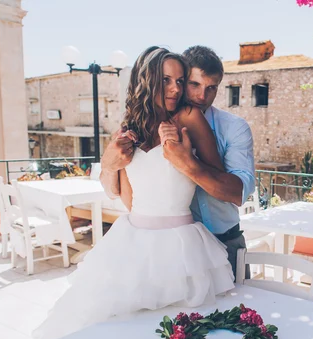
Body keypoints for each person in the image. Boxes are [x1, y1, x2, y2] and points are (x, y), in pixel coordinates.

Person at [7, 46, 236, 339]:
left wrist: (183, 159)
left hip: (181, 245)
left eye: (179, 81)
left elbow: (221, 182)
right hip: (131, 241)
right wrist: (111, 164)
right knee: (113, 333)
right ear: (146, 80)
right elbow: (122, 196)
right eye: (166, 80)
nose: (176, 89)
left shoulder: (189, 117)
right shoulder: (128, 128)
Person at [100, 45, 255, 277]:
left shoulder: (232, 127)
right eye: (193, 84)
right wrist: (109, 165)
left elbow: (239, 193)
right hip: (157, 243)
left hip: (222, 238)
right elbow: (129, 199)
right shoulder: (132, 129)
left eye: (211, 88)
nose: (202, 96)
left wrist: (186, 163)